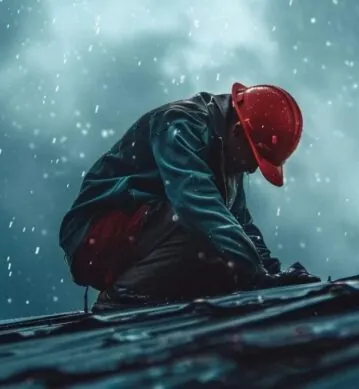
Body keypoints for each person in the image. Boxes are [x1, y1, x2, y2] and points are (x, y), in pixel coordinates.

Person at [58, 82, 322, 312]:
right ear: (239, 133)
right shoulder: (179, 124)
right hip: (93, 236)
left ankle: (145, 286)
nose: (252, 169)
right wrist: (255, 272)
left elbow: (240, 223)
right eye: (254, 159)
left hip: (144, 232)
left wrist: (273, 273)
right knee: (207, 230)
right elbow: (194, 202)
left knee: (228, 263)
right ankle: (124, 295)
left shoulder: (229, 150)